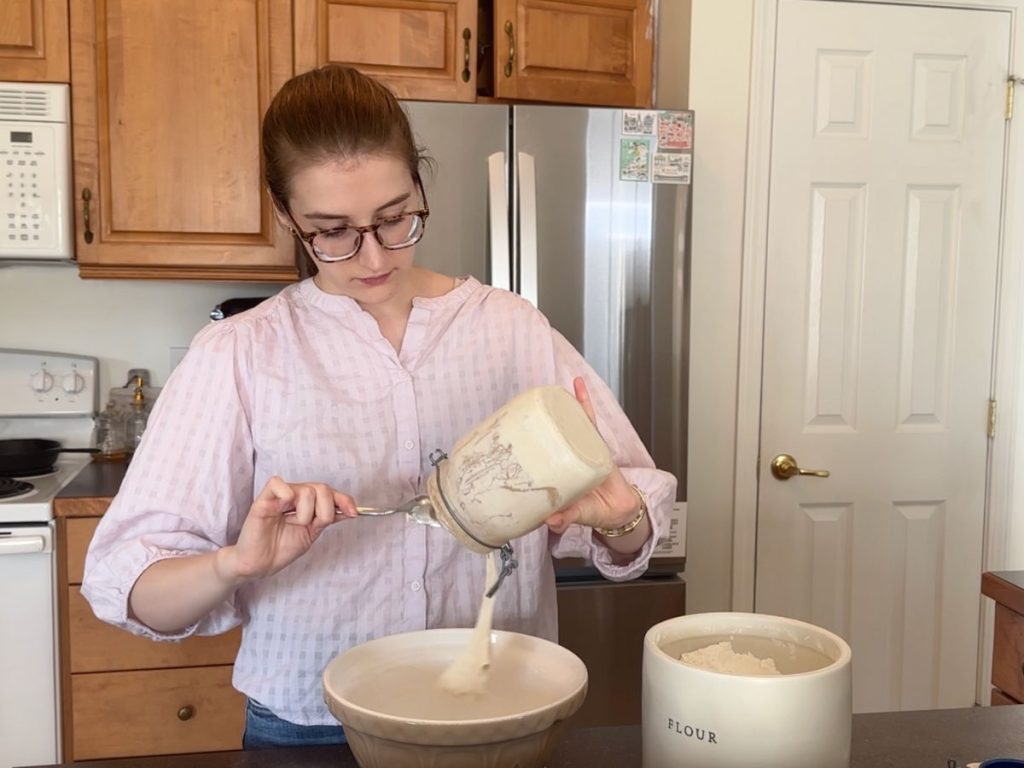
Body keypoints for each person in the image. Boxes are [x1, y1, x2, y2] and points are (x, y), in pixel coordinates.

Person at [81, 64, 677, 750]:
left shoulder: (510, 330)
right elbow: (132, 588)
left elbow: (630, 530)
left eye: (395, 218)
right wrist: (233, 565)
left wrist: (620, 518)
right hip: (311, 729)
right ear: (285, 216)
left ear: (419, 186)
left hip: (495, 713)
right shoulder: (238, 355)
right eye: (331, 231)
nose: (372, 256)